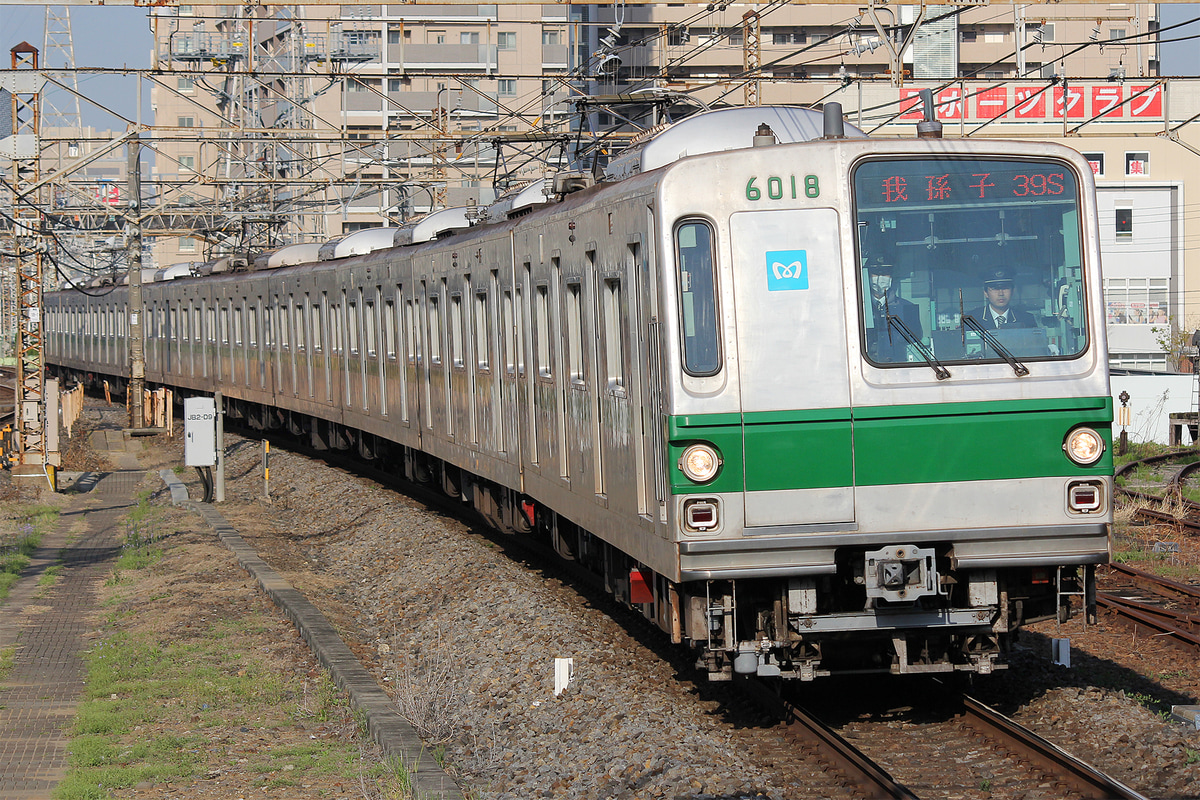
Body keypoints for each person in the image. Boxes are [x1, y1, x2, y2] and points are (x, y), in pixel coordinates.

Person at [864, 262, 923, 363]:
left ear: (891, 278)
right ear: (867, 276)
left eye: (885, 273)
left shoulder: (907, 307)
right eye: (875, 273)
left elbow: (916, 336)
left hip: (898, 365)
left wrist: (899, 340)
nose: (880, 278)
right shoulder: (858, 307)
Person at [966, 267, 1037, 329]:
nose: (1001, 293)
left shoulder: (1026, 319)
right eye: (995, 289)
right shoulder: (972, 320)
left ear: (1013, 291)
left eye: (1005, 288)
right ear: (985, 293)